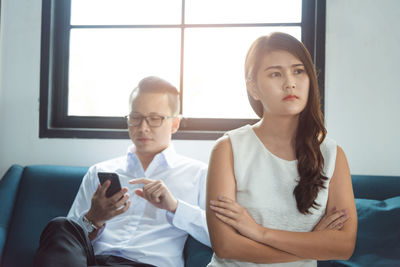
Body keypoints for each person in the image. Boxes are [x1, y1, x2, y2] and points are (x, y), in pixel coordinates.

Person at [206, 32, 357, 266]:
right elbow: (225, 245)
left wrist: (259, 232)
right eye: (275, 74)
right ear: (254, 88)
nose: (290, 82)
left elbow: (344, 246)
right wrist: (314, 244)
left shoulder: (332, 154)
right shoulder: (228, 149)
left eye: (298, 71)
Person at [34, 76, 210, 267]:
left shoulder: (198, 174)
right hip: (93, 262)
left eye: (154, 119)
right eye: (135, 118)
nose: (143, 128)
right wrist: (93, 218)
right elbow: (68, 241)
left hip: (149, 264)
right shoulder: (100, 171)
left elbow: (219, 238)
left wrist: (175, 207)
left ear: (175, 123)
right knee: (61, 226)